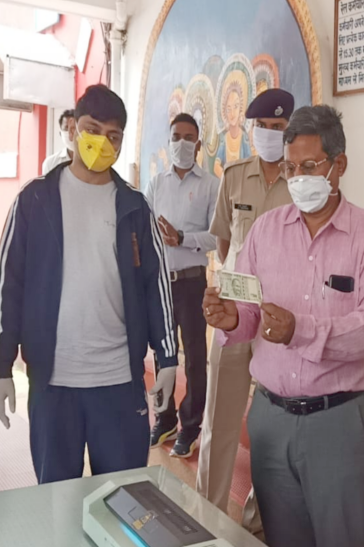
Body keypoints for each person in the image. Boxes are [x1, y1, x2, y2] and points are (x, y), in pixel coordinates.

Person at [203, 105, 364, 547]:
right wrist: (231, 319)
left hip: (336, 420)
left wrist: (300, 331)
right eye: (291, 168)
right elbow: (249, 312)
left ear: (339, 165)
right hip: (270, 417)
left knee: (338, 537)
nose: (297, 178)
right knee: (281, 537)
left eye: (309, 167)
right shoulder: (265, 231)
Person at [0, 85, 179, 484]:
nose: (101, 143)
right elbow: (8, 285)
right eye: (92, 130)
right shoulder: (34, 200)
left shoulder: (134, 206)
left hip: (119, 383)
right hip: (53, 384)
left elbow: (155, 286)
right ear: (73, 128)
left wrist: (167, 357)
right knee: (57, 498)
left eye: (113, 136)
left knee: (124, 497)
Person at [197, 88, 295, 530]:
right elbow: (225, 243)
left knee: (271, 428)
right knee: (219, 422)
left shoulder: (302, 182)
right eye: (264, 127)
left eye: (279, 127)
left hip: (278, 320)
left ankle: (257, 521)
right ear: (252, 130)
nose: (270, 134)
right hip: (234, 315)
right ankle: (207, 516)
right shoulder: (234, 177)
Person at [144, 113, 220, 458]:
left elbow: (217, 237)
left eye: (189, 138)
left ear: (198, 145)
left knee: (194, 359)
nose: (182, 143)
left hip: (192, 284)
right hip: (161, 283)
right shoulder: (156, 184)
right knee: (163, 354)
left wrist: (182, 238)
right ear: (169, 141)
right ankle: (164, 419)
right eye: (176, 137)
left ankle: (190, 427)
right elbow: (144, 228)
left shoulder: (210, 185)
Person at [41, 110, 75, 175]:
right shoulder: (51, 163)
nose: (70, 132)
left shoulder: (92, 160)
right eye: (66, 128)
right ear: (60, 134)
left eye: (73, 128)